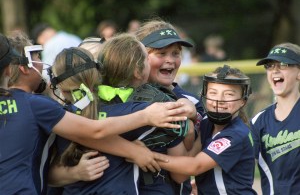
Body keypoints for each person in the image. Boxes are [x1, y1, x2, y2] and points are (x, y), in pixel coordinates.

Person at [0, 32, 187, 195]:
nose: (42, 63)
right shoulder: (39, 106)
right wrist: (144, 125)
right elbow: (93, 131)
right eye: (37, 57)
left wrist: (72, 174)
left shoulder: (53, 108)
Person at [155, 65, 257, 195]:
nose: (219, 100)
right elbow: (183, 170)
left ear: (243, 101)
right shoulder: (207, 123)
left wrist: (148, 156)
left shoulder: (236, 134)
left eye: (229, 94)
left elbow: (194, 166)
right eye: (213, 93)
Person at [135, 18, 205, 195]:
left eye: (176, 53)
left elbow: (183, 171)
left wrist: (193, 120)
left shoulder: (193, 101)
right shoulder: (124, 99)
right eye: (161, 53)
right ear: (141, 56)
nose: (170, 60)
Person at [250, 43, 300, 195]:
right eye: (270, 66)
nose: (275, 70)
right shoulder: (258, 121)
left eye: (283, 64)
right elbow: (239, 160)